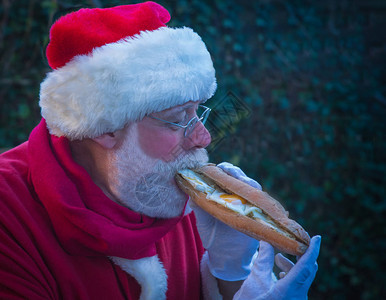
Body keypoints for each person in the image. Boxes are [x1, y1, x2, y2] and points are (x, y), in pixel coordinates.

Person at [0, 2, 321, 299]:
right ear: (105, 127)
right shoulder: (9, 217)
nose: (203, 138)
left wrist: (231, 274)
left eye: (198, 112)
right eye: (177, 120)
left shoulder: (167, 186)